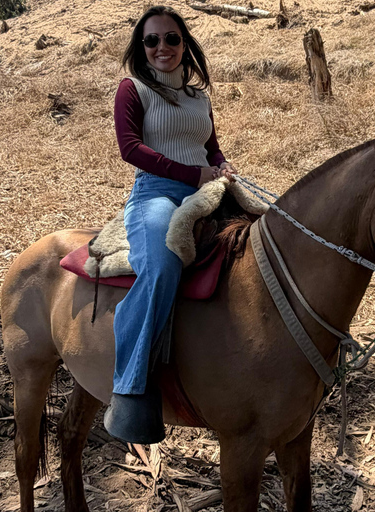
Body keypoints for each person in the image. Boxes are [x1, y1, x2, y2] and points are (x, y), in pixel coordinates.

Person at [104, 5, 237, 444]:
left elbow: (210, 147)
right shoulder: (133, 89)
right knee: (162, 265)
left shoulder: (199, 96)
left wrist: (222, 167)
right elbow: (131, 149)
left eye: (172, 39)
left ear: (185, 43)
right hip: (156, 193)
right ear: (141, 47)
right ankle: (129, 387)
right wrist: (192, 173)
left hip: (205, 190)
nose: (163, 47)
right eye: (152, 40)